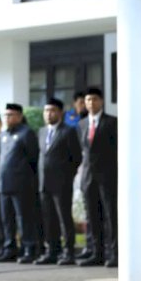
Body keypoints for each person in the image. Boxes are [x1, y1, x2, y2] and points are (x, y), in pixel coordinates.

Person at [37, 97, 81, 265]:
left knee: (64, 218)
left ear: (60, 113)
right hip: (44, 183)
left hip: (62, 183)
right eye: (46, 111)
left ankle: (69, 251)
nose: (49, 114)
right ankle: (52, 251)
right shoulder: (42, 132)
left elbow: (76, 157)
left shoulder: (68, 131)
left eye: (52, 111)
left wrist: (67, 175)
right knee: (48, 219)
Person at [78, 87, 118, 268]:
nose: (91, 103)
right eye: (88, 100)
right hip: (88, 178)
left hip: (107, 177)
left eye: (94, 99)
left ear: (101, 101)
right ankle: (96, 253)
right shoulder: (82, 124)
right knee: (92, 217)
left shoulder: (112, 122)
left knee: (110, 216)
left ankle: (114, 254)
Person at [0, 102, 39, 264]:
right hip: (4, 184)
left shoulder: (26, 133)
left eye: (11, 115)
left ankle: (29, 248)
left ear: (20, 117)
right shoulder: (3, 134)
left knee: (23, 218)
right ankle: (10, 248)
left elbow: (33, 158)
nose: (7, 118)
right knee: (7, 219)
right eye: (5, 115)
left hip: (21, 184)